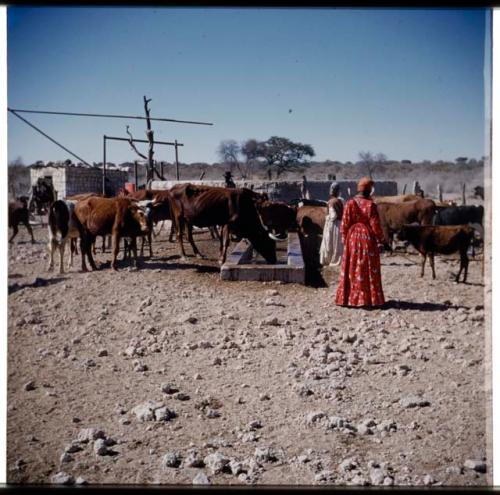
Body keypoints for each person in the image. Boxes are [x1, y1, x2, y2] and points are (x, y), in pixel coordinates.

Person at [335, 177, 388, 308]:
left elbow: (344, 225)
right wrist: (382, 241)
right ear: (370, 190)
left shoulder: (350, 203)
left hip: (352, 239)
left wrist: (345, 240)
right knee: (368, 268)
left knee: (352, 267)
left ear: (358, 189)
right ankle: (369, 300)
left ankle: (349, 299)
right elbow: (375, 226)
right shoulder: (371, 205)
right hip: (367, 239)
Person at [319, 182, 344, 267]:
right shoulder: (339, 201)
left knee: (330, 241)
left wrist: (328, 218)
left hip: (333, 224)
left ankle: (330, 259)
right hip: (338, 224)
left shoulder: (331, 201)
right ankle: (335, 259)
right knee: (336, 243)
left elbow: (333, 216)